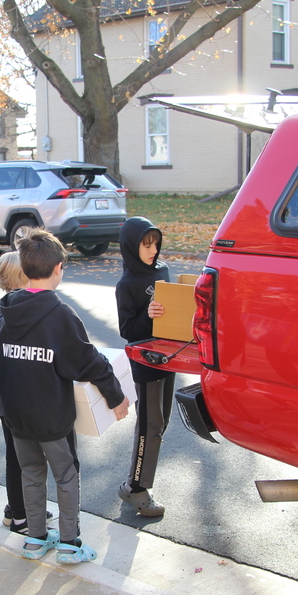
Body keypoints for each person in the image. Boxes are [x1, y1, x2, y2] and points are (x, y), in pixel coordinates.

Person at [0, 229, 130, 564]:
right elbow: (88, 362)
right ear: (58, 269)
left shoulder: (4, 313)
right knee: (66, 476)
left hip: (18, 417)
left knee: (31, 473)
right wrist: (117, 397)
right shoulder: (60, 315)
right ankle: (70, 542)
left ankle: (36, 539)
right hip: (52, 416)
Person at [115, 217, 173, 517]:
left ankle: (136, 485)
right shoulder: (126, 285)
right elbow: (128, 330)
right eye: (145, 245)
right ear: (130, 247)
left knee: (161, 424)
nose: (153, 250)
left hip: (169, 357)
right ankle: (136, 487)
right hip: (145, 363)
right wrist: (148, 315)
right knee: (149, 426)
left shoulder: (162, 272)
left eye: (155, 244)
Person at [0, 250, 53, 535]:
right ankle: (21, 516)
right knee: (21, 457)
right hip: (15, 396)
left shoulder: (4, 306)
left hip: (5, 394)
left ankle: (14, 508)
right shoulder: (18, 311)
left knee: (16, 453)